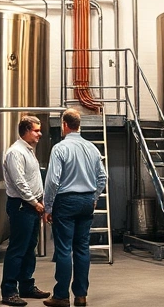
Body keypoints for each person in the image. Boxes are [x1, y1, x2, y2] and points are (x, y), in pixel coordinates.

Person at [42, 109, 107, 307]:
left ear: (64, 125)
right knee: (82, 248)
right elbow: (103, 178)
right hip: (86, 202)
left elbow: (53, 181)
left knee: (63, 249)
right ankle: (81, 295)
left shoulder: (60, 148)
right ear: (79, 125)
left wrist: (48, 206)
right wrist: (94, 197)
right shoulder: (93, 148)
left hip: (66, 202)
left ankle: (61, 296)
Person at [0, 115, 53, 306]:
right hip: (22, 206)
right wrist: (34, 202)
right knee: (18, 248)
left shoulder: (28, 150)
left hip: (31, 206)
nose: (40, 133)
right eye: (36, 130)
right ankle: (9, 291)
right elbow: (19, 182)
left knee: (29, 248)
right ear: (25, 131)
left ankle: (27, 286)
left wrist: (42, 200)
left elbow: (32, 179)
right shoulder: (15, 152)